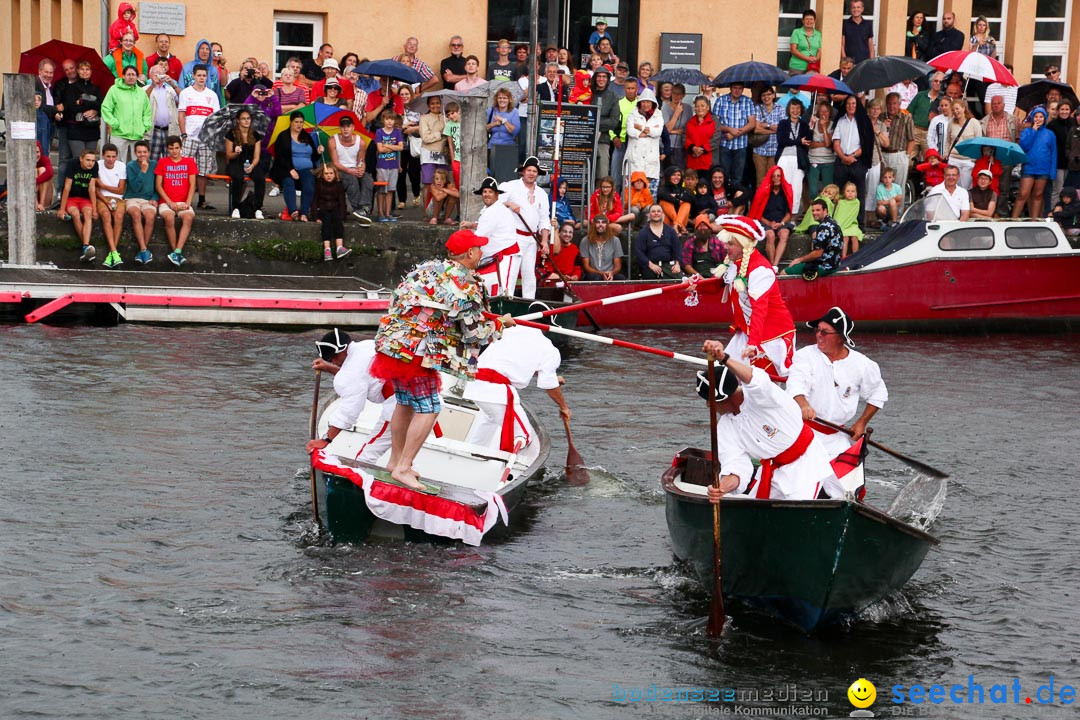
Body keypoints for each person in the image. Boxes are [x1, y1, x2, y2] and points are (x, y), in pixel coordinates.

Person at [369, 231, 512, 490]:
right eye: (479, 249)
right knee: (431, 407)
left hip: (392, 344)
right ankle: (403, 467)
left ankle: (395, 461)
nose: (481, 253)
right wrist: (501, 324)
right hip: (414, 350)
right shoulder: (466, 283)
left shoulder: (429, 267)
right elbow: (474, 334)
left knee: (405, 404)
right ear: (469, 253)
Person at [699, 342, 835, 501]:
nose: (708, 405)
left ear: (725, 398)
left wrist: (724, 358)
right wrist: (721, 488)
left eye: (709, 400)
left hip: (807, 467)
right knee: (752, 514)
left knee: (797, 514)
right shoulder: (724, 428)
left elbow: (757, 380)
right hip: (771, 471)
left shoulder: (764, 397)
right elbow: (736, 467)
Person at [786, 307, 887, 496]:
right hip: (804, 434)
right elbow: (795, 385)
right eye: (817, 330)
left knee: (848, 493)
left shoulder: (862, 364)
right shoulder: (805, 356)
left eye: (825, 332)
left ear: (841, 337)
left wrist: (861, 422)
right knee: (800, 492)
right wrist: (803, 404)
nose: (819, 335)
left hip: (838, 437)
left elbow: (877, 394)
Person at [463, 325, 571, 453]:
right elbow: (549, 385)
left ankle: (472, 453)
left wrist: (554, 378)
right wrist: (564, 407)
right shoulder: (548, 348)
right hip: (494, 391)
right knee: (524, 435)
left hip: (473, 383)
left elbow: (514, 363)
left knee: (489, 420)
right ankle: (504, 467)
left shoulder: (507, 331)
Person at [712, 215, 796, 376]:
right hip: (746, 332)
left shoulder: (760, 270)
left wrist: (753, 344)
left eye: (731, 244)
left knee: (762, 384)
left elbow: (759, 310)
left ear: (743, 246)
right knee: (721, 378)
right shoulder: (733, 262)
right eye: (726, 243)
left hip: (770, 336)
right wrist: (694, 285)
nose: (726, 247)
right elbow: (717, 283)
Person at [305, 330, 398, 463]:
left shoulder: (350, 373)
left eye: (333, 357)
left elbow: (349, 411)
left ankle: (358, 482)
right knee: (402, 456)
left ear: (343, 349)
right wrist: (329, 367)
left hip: (399, 406)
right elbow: (360, 375)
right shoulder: (367, 345)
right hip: (416, 398)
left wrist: (326, 439)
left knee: (366, 457)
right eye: (328, 359)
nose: (332, 360)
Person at [460, 176, 522, 297]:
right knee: (492, 292)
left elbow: (478, 238)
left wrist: (461, 247)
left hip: (506, 257)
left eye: (490, 191)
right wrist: (471, 225)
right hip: (495, 257)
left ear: (497, 194)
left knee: (504, 293)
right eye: (484, 191)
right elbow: (488, 227)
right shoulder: (493, 208)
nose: (487, 194)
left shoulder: (494, 211)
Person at [499, 156, 551, 299]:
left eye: (534, 171)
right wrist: (509, 204)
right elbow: (494, 204)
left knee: (529, 274)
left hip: (532, 240)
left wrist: (545, 241)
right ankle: (506, 299)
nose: (531, 173)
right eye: (529, 170)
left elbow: (544, 219)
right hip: (514, 237)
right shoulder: (510, 186)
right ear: (523, 172)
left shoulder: (542, 194)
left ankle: (529, 303)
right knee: (511, 271)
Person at [177, 65, 220, 211]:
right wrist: (183, 134)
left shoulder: (212, 95)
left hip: (206, 139)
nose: (202, 78)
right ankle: (180, 198)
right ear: (193, 76)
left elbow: (215, 118)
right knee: (183, 168)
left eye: (204, 75)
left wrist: (212, 136)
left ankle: (202, 200)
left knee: (203, 171)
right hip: (189, 137)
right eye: (199, 75)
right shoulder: (186, 93)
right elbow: (181, 115)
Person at [272, 110, 323, 222]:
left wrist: (318, 152)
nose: (299, 124)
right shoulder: (283, 136)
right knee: (288, 182)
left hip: (306, 169)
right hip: (286, 168)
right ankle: (293, 211)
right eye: (296, 122)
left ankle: (304, 212)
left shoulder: (307, 136)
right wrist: (291, 169)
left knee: (309, 183)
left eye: (301, 122)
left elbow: (313, 157)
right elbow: (280, 157)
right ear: (291, 122)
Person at [782, 199, 845, 280]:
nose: (814, 213)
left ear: (825, 210)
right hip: (834, 264)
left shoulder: (824, 227)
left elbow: (817, 253)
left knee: (784, 272)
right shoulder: (833, 222)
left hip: (824, 266)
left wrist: (799, 260)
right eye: (813, 210)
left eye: (818, 210)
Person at [100, 65, 151, 163]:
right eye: (128, 74)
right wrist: (114, 123)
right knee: (118, 164)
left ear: (137, 77)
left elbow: (147, 111)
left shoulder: (141, 92)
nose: (131, 77)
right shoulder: (114, 90)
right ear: (123, 76)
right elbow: (106, 108)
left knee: (138, 165)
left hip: (137, 136)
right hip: (119, 135)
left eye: (133, 75)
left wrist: (145, 126)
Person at [328, 116, 373, 226]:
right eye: (343, 127)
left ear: (353, 127)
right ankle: (359, 209)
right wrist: (349, 171)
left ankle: (364, 208)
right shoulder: (333, 141)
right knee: (351, 180)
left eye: (348, 126)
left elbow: (361, 161)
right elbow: (335, 163)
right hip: (340, 170)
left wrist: (361, 169)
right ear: (340, 128)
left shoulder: (360, 142)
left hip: (354, 168)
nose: (346, 129)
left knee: (367, 178)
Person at [1014, 107, 1057, 218]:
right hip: (1029, 167)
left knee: (1038, 195)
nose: (1038, 119)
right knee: (1023, 194)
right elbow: (1023, 147)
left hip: (1043, 169)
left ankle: (1034, 221)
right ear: (1033, 118)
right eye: (1036, 116)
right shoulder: (1027, 131)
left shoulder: (1050, 134)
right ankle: (1013, 219)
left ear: (1045, 118)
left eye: (1041, 116)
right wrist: (1033, 131)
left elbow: (1053, 153)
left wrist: (1052, 172)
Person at [58, 148, 99, 262]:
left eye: (93, 160)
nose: (91, 163)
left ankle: (85, 247)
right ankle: (86, 247)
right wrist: (62, 209)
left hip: (84, 198)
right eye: (88, 160)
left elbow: (92, 188)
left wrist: (95, 209)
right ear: (81, 159)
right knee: (75, 214)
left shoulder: (94, 167)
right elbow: (67, 187)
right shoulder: (72, 164)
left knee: (88, 213)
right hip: (71, 198)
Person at [832, 94, 872, 214]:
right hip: (841, 160)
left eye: (853, 103)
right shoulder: (840, 120)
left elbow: (865, 144)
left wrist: (852, 156)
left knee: (859, 193)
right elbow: (836, 143)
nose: (851, 106)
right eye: (848, 103)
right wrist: (844, 157)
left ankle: (859, 223)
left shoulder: (864, 121)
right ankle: (838, 220)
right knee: (839, 193)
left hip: (857, 161)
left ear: (858, 105)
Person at [749, 166, 794, 268]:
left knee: (784, 234)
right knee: (770, 235)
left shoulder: (786, 192)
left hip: (781, 222)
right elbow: (757, 213)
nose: (776, 178)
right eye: (774, 176)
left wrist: (781, 223)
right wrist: (768, 223)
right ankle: (772, 266)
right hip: (765, 222)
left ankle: (775, 264)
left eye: (778, 176)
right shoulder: (763, 191)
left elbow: (788, 214)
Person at [712, 83, 757, 186]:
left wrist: (735, 134)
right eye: (735, 88)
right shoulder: (721, 101)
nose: (737, 91)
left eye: (740, 88)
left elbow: (752, 123)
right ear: (730, 88)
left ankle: (735, 200)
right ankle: (724, 199)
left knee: (738, 177)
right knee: (724, 175)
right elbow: (715, 124)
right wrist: (728, 129)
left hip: (741, 146)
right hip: (724, 144)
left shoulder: (747, 101)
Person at [225, 108, 264, 219]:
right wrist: (236, 152)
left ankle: (258, 208)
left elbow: (257, 156)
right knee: (237, 177)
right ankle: (236, 207)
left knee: (260, 177)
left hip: (251, 162)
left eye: (248, 118)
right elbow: (228, 155)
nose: (247, 121)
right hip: (236, 162)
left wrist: (252, 165)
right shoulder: (231, 134)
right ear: (238, 120)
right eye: (243, 119)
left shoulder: (255, 135)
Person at [94, 143, 127, 268]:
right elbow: (95, 190)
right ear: (103, 155)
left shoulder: (121, 166)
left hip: (118, 198)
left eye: (113, 156)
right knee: (106, 216)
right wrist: (105, 199)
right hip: (102, 198)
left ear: (117, 156)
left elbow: (121, 190)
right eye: (108, 156)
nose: (111, 159)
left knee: (119, 216)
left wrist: (103, 186)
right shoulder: (97, 165)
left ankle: (111, 252)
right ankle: (114, 252)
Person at [124, 140, 158, 264]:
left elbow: (158, 186)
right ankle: (144, 249)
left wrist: (155, 198)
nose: (142, 154)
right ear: (135, 153)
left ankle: (143, 250)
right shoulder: (130, 166)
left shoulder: (155, 164)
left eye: (144, 152)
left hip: (148, 199)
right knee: (136, 215)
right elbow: (134, 187)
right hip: (132, 197)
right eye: (139, 152)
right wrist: (143, 171)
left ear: (149, 153)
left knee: (150, 216)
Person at [775, 98, 811, 215]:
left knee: (797, 188)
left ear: (801, 110)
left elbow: (808, 140)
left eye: (798, 108)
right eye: (793, 108)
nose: (795, 111)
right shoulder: (783, 123)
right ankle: (781, 213)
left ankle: (793, 215)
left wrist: (811, 126)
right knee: (784, 186)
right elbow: (782, 140)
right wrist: (798, 142)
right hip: (784, 158)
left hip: (799, 160)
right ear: (788, 110)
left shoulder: (804, 124)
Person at [626, 89, 664, 197]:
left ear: (652, 103)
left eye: (648, 102)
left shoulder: (658, 115)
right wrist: (642, 132)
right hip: (635, 157)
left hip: (650, 159)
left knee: (649, 196)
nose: (645, 104)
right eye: (643, 101)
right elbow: (630, 130)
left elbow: (658, 132)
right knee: (631, 196)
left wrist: (640, 128)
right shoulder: (633, 113)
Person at [311, 163, 350, 261]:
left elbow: (342, 201)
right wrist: (315, 217)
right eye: (326, 173)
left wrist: (343, 215)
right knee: (326, 222)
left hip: (335, 207)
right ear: (322, 175)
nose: (329, 175)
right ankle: (327, 249)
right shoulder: (319, 185)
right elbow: (314, 201)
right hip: (323, 208)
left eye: (331, 173)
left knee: (337, 221)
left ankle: (339, 247)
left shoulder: (338, 185)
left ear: (335, 174)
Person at [372, 110, 404, 223]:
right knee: (381, 190)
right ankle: (380, 212)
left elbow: (400, 147)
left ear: (394, 120)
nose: (389, 121)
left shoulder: (397, 132)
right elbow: (380, 149)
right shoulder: (379, 132)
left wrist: (387, 145)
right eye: (387, 119)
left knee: (391, 190)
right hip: (382, 165)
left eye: (392, 119)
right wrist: (393, 147)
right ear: (383, 120)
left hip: (394, 165)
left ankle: (388, 212)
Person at [419, 96, 450, 212]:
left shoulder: (446, 118)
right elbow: (426, 138)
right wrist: (440, 133)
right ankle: (426, 212)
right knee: (428, 183)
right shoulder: (424, 118)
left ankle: (439, 211)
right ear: (428, 105)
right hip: (428, 154)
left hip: (443, 154)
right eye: (432, 103)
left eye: (437, 103)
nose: (435, 105)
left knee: (443, 183)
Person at [145, 65, 180, 166]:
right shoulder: (146, 88)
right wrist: (152, 85)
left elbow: (183, 99)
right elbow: (143, 100)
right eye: (156, 73)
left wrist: (173, 84)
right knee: (152, 160)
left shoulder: (170, 90)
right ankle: (153, 181)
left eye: (161, 72)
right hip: (153, 130)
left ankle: (167, 181)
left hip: (169, 130)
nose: (159, 75)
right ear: (150, 75)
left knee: (170, 160)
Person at [635, 204, 682, 278]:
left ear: (662, 214)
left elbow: (678, 250)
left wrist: (677, 264)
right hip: (651, 266)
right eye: (653, 211)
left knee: (679, 278)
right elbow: (639, 252)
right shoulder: (643, 233)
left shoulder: (671, 231)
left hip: (669, 266)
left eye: (658, 211)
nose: (656, 213)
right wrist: (650, 265)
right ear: (649, 215)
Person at [592, 68, 622, 181]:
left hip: (603, 139)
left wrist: (594, 123)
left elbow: (614, 121)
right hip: (584, 138)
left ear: (608, 79)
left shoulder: (613, 96)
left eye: (604, 77)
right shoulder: (588, 93)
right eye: (599, 76)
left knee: (602, 174)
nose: (601, 79)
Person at [945, 99, 981, 189]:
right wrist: (946, 153)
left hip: (968, 160)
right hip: (953, 158)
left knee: (965, 187)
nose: (955, 112)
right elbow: (948, 141)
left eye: (957, 109)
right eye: (953, 110)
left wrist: (974, 158)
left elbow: (978, 142)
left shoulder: (974, 123)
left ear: (964, 108)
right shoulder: (951, 123)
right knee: (953, 186)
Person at [610, 76, 639, 189]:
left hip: (636, 143)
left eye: (633, 88)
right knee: (616, 174)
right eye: (628, 88)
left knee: (633, 175)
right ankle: (615, 200)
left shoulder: (641, 104)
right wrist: (614, 137)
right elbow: (611, 122)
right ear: (624, 89)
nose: (630, 91)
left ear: (637, 89)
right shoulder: (618, 103)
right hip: (620, 143)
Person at [487, 87, 520, 182]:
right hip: (492, 147)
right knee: (492, 175)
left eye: (505, 98)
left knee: (505, 176)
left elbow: (515, 131)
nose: (502, 100)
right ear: (496, 99)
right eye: (500, 98)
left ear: (509, 100)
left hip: (507, 148)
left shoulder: (514, 112)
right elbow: (483, 127)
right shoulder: (491, 111)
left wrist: (503, 120)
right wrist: (494, 124)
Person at [752, 87, 783, 185]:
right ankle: (760, 200)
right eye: (764, 95)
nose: (766, 97)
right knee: (760, 181)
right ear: (761, 97)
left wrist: (765, 125)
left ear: (773, 95)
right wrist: (772, 128)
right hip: (759, 150)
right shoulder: (757, 108)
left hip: (774, 150)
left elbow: (781, 129)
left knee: (773, 180)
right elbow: (756, 129)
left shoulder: (780, 108)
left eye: (769, 94)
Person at [908, 72, 945, 156]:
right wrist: (909, 127)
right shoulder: (920, 95)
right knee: (909, 160)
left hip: (931, 134)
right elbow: (909, 111)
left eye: (941, 82)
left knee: (929, 160)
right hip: (915, 131)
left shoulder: (943, 99)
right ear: (932, 82)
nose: (938, 83)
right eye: (936, 81)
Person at [581, 214, 625, 280]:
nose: (600, 225)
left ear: (607, 225)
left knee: (621, 278)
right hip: (593, 274)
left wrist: (612, 273)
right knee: (596, 278)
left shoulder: (615, 240)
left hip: (610, 273)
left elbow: (618, 266)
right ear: (594, 225)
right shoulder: (585, 240)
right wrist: (601, 273)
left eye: (603, 222)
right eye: (598, 222)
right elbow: (586, 266)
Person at [807, 100, 835, 199]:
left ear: (830, 112)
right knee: (813, 191)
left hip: (828, 161)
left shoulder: (833, 125)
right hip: (813, 160)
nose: (824, 114)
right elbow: (809, 143)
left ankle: (825, 212)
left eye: (826, 111)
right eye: (821, 111)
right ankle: (813, 212)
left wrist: (823, 128)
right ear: (818, 112)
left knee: (827, 191)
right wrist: (824, 144)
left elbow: (828, 143)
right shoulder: (813, 123)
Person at [657, 166, 692, 233]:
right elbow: (661, 195)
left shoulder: (683, 189)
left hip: (681, 223)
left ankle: (676, 225)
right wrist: (677, 201)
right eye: (673, 175)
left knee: (687, 203)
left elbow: (691, 198)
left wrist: (676, 195)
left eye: (678, 175)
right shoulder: (663, 188)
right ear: (668, 176)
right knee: (664, 202)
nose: (676, 177)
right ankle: (677, 225)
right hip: (668, 223)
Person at [685, 97, 716, 173]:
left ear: (708, 107)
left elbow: (716, 139)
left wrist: (701, 150)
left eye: (702, 106)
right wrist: (693, 148)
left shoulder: (713, 121)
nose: (699, 108)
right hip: (692, 160)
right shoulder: (690, 122)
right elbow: (684, 137)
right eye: (697, 106)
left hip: (708, 161)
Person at [663, 84, 690, 170]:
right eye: (674, 93)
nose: (676, 96)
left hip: (681, 145)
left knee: (680, 171)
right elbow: (666, 129)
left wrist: (674, 131)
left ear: (683, 95)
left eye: (679, 94)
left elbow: (687, 128)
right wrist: (676, 113)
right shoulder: (665, 107)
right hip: (668, 145)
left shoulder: (688, 108)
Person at [834, 181, 864, 255]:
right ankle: (843, 256)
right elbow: (838, 215)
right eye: (848, 191)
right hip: (842, 225)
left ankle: (855, 256)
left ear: (856, 193)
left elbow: (852, 215)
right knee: (845, 237)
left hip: (852, 224)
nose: (850, 193)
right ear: (844, 193)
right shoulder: (841, 202)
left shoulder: (857, 202)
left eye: (853, 191)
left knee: (854, 237)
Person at [790, 10, 823, 75]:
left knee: (810, 85)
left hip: (812, 68)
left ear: (814, 21)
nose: (809, 21)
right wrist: (807, 58)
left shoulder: (818, 34)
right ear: (803, 20)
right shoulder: (796, 32)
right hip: (797, 67)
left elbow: (819, 50)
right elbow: (793, 50)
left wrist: (816, 59)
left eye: (811, 19)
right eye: (807, 19)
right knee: (797, 85)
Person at [842, 0, 875, 65]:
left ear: (862, 9)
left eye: (858, 7)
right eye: (853, 7)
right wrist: (845, 61)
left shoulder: (868, 24)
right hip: (850, 63)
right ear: (851, 9)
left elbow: (871, 45)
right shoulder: (845, 24)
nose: (855, 9)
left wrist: (871, 62)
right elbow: (842, 45)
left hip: (865, 62)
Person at [443, 101, 462, 188]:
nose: (450, 116)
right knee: (458, 183)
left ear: (458, 111)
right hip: (457, 158)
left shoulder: (466, 121)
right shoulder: (449, 125)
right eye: (448, 115)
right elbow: (450, 144)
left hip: (467, 157)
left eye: (452, 113)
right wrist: (453, 160)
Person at [34, 142, 54, 211]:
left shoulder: (45, 159)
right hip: (30, 193)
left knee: (42, 170)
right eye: (33, 152)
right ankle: (35, 203)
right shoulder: (25, 162)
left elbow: (50, 173)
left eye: (37, 152)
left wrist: (36, 182)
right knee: (34, 171)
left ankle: (42, 203)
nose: (36, 155)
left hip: (45, 193)